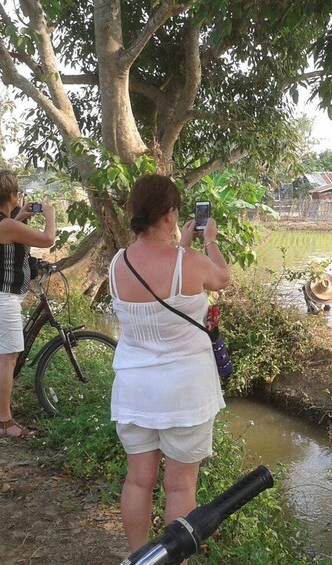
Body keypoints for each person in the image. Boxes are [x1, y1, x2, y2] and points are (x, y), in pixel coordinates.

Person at [107, 174, 229, 555]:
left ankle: (139, 558)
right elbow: (221, 278)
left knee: (138, 481)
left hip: (134, 390)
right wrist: (208, 240)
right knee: (180, 486)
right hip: (184, 394)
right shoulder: (190, 263)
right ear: (170, 214)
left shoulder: (117, 263)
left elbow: (158, 279)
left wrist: (185, 245)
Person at [0, 170, 56, 438]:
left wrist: (19, 217)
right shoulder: (6, 224)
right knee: (8, 360)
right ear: (11, 195)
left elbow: (3, 235)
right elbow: (48, 240)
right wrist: (50, 214)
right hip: (0, 297)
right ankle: (5, 423)